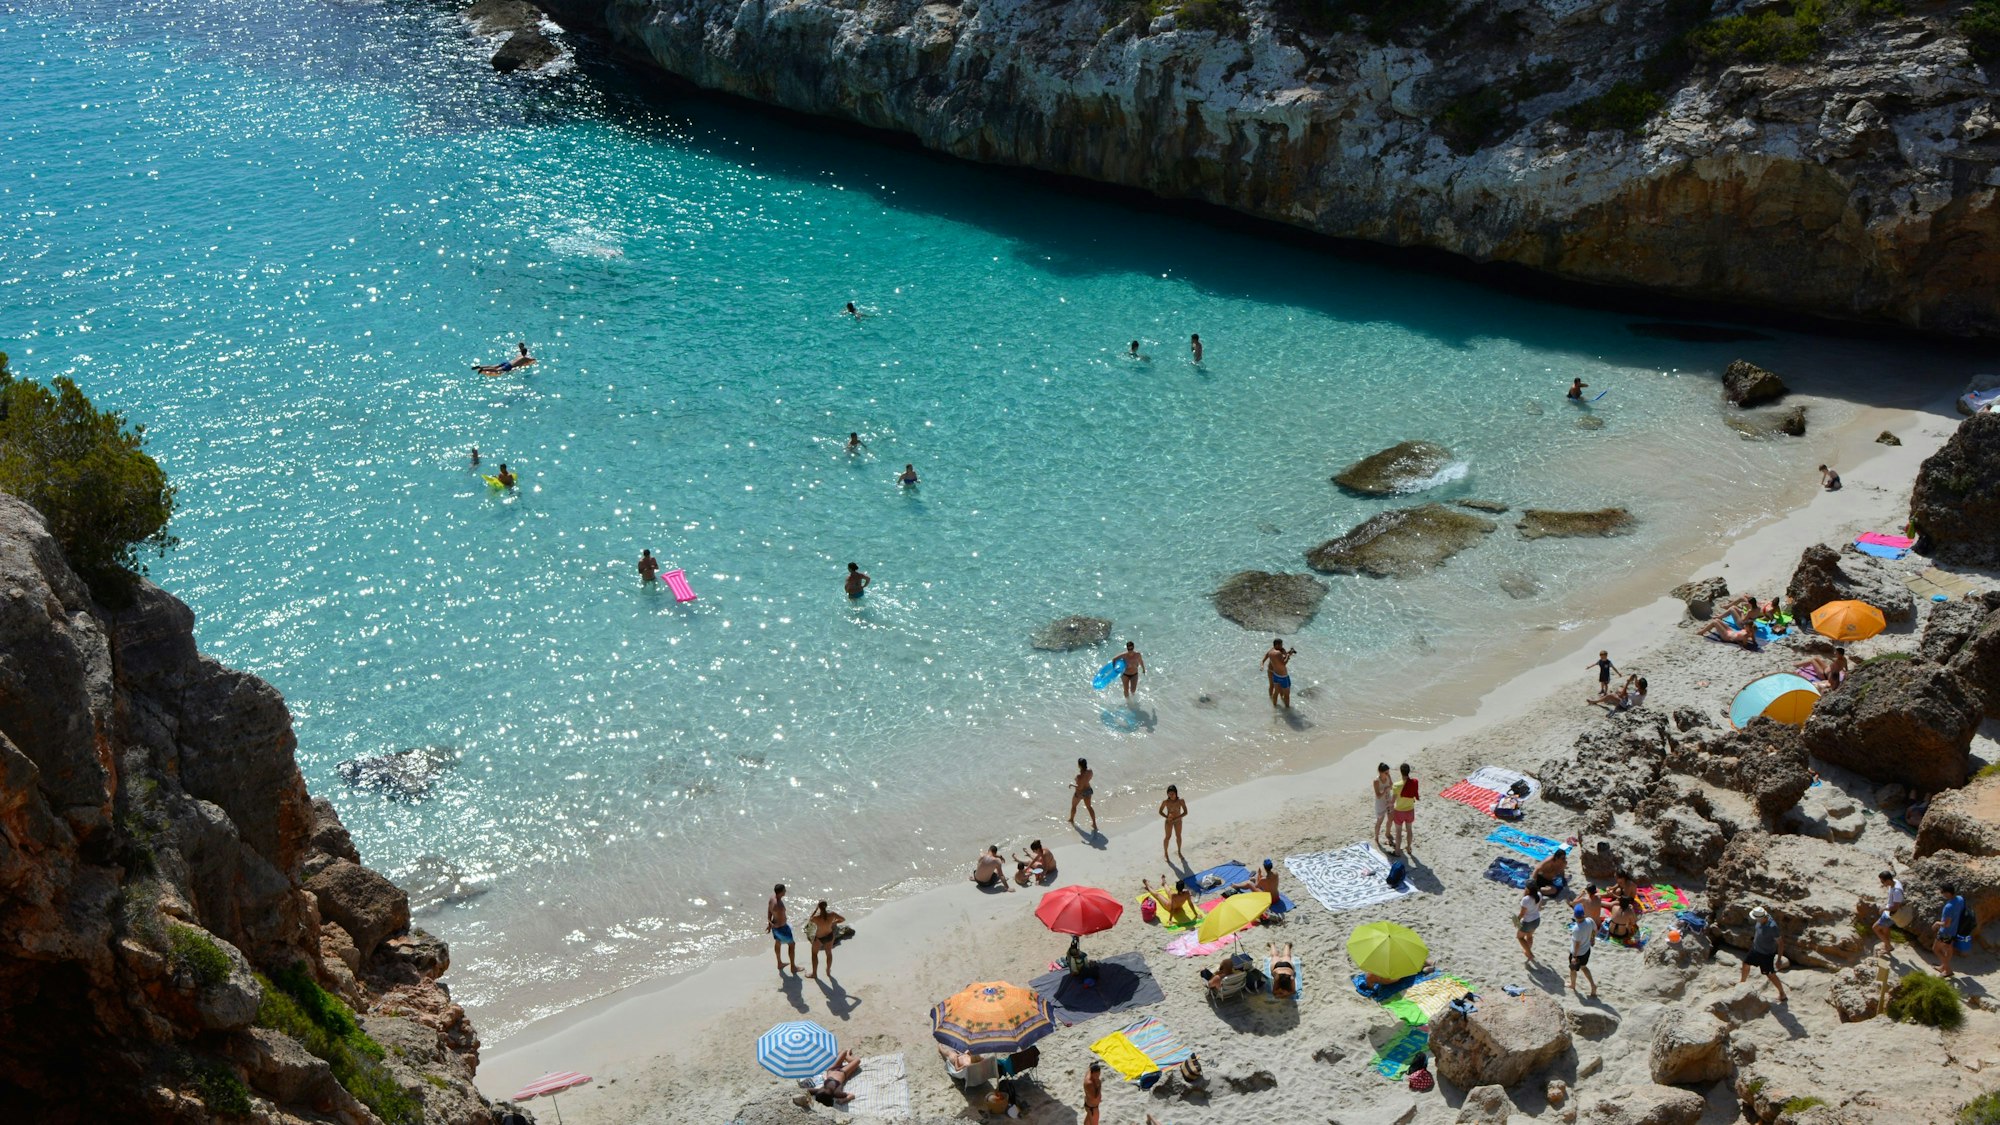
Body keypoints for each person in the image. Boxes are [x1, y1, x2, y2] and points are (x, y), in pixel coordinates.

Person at [1741, 905, 1788, 1001]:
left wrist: (1779, 960)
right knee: (1745, 964)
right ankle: (1742, 983)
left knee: (1770, 974)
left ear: (1761, 917)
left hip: (1766, 954)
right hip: (1755, 949)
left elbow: (1781, 944)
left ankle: (1782, 994)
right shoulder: (1760, 919)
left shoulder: (1772, 927)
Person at [1935, 883, 1970, 976]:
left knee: (1936, 949)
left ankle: (1948, 970)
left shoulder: (1948, 907)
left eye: (1943, 892)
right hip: (1954, 930)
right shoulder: (1960, 899)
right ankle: (1943, 967)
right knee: (1949, 949)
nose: (1942, 894)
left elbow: (1946, 924)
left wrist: (1937, 923)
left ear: (1948, 893)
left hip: (1945, 933)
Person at [807, 900, 846, 979]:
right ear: (826, 906)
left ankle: (814, 974)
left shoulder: (816, 917)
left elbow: (810, 920)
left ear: (819, 907)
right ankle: (828, 971)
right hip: (829, 936)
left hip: (819, 938)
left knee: (814, 954)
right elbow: (843, 919)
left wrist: (815, 910)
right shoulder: (832, 914)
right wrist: (834, 922)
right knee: (828, 953)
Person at [1873, 869, 1908, 956]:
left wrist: (1884, 909)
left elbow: (1896, 907)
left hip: (1890, 915)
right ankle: (1886, 945)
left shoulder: (1896, 891)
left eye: (1882, 881)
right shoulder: (1895, 881)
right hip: (1888, 913)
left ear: (1888, 880)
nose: (1882, 883)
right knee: (1886, 929)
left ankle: (1888, 946)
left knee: (1875, 928)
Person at [768, 884, 801, 974]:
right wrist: (776, 925)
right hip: (782, 928)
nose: (785, 891)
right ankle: (793, 967)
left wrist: (769, 923)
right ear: (781, 892)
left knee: (778, 943)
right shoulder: (778, 905)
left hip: (775, 927)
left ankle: (779, 963)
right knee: (792, 944)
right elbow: (774, 911)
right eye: (784, 890)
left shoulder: (772, 898)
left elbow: (769, 910)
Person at [1569, 905, 1598, 997]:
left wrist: (1574, 957)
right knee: (1584, 967)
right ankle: (1593, 985)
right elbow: (1594, 930)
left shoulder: (1577, 929)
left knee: (1573, 970)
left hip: (1578, 953)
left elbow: (1577, 945)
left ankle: (1572, 985)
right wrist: (1592, 939)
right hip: (1586, 950)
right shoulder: (1590, 920)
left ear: (1575, 915)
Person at [1390, 763, 1419, 855]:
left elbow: (1393, 801)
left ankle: (1397, 851)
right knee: (1409, 829)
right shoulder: (1414, 782)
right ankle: (1409, 848)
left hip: (1399, 811)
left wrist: (1390, 808)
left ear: (1400, 772)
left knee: (1398, 832)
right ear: (1408, 771)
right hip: (1410, 810)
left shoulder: (1396, 785)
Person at [1261, 638, 1297, 709]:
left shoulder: (1274, 651)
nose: (1282, 645)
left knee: (1277, 692)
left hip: (1276, 674)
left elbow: (1282, 656)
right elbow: (1283, 662)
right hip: (1275, 672)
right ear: (1277, 645)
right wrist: (1288, 656)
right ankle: (1285, 708)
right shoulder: (1277, 653)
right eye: (1281, 644)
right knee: (1274, 687)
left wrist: (1288, 653)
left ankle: (1273, 706)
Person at [1158, 785, 1187, 862]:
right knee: (1167, 837)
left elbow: (1185, 812)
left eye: (1172, 794)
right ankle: (1166, 853)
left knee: (1178, 836)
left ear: (1176, 793)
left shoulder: (1181, 801)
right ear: (1167, 794)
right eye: (1169, 794)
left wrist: (1177, 818)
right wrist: (1166, 817)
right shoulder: (1166, 802)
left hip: (1178, 821)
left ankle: (1179, 851)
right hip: (1169, 821)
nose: (1171, 795)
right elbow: (1160, 811)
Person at [1069, 758, 1097, 832]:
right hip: (1088, 790)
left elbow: (1079, 787)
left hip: (1080, 793)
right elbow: (1089, 778)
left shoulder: (1079, 776)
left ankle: (1071, 819)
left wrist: (1072, 784)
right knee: (1089, 807)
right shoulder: (1090, 771)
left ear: (1079, 765)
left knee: (1074, 806)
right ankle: (1094, 823)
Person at [1372, 763, 1394, 853]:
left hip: (1388, 800)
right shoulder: (1376, 781)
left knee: (1391, 818)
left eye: (1388, 772)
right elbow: (1377, 795)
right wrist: (1384, 790)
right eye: (1386, 772)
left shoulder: (1388, 776)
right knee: (1379, 821)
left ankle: (1387, 833)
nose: (1387, 774)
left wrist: (1390, 784)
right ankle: (1376, 837)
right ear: (1380, 772)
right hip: (1380, 803)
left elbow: (1392, 786)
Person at [1516, 888, 1542, 961]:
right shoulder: (1539, 894)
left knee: (1520, 937)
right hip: (1536, 920)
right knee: (1529, 936)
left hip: (1528, 922)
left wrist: (1516, 921)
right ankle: (1527, 952)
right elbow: (1539, 907)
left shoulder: (1526, 899)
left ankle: (1530, 954)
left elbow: (1522, 913)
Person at [1082, 1060, 1103, 1125]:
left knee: (1088, 1122)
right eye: (1096, 1075)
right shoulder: (1089, 1083)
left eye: (1099, 1074)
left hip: (1089, 1105)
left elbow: (1089, 1068)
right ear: (1092, 1073)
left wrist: (1092, 1065)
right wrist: (1099, 1085)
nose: (1098, 1076)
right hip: (1093, 1108)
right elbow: (1095, 1098)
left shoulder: (1089, 1072)